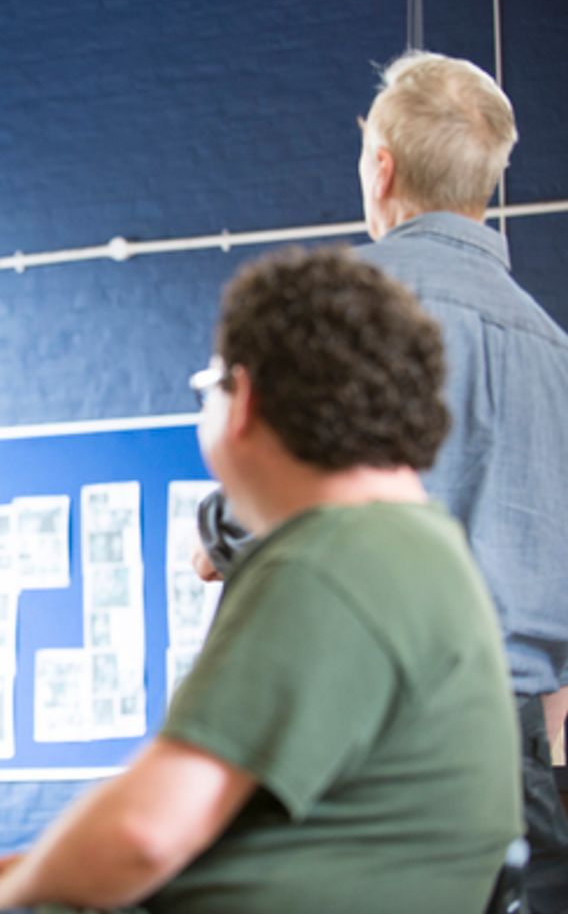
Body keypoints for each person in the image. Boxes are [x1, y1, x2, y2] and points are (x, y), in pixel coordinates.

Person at [0, 248, 522, 914]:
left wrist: (11, 896)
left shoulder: (326, 561)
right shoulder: (423, 550)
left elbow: (146, 829)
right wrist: (40, 870)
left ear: (243, 397)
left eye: (208, 386)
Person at [195, 49, 568, 911]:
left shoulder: (339, 307)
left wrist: (214, 531)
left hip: (343, 740)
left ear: (381, 164)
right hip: (507, 764)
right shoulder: (555, 354)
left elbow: (273, 504)